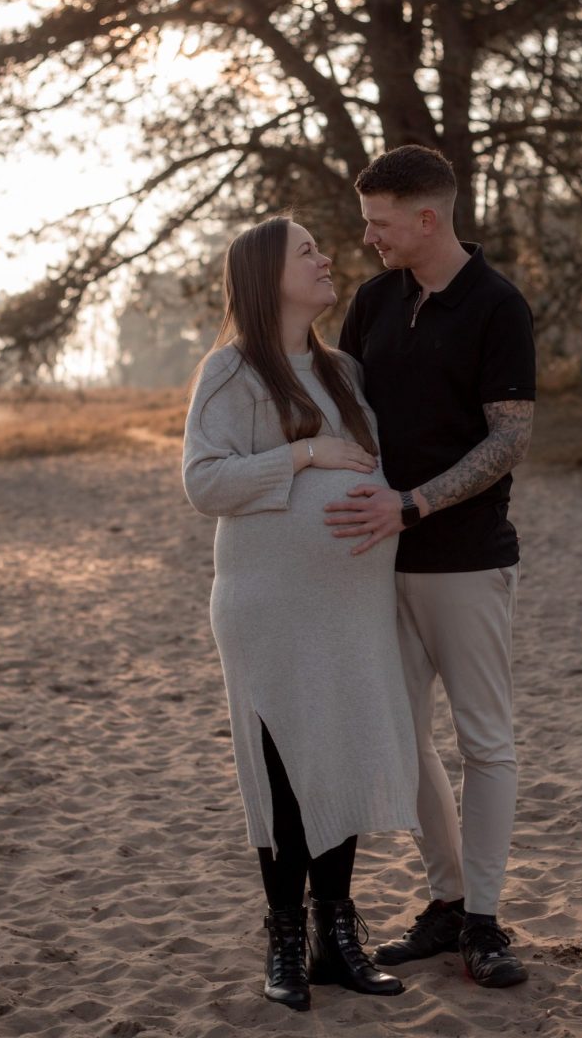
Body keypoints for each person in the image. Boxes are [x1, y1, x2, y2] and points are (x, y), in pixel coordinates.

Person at [182, 215, 421, 1012]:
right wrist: (307, 454)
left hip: (349, 604)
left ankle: (336, 937)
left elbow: (380, 465)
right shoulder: (231, 372)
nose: (326, 260)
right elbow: (205, 482)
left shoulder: (344, 370)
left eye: (322, 248)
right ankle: (285, 937)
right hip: (270, 606)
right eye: (307, 252)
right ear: (264, 276)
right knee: (285, 764)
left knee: (341, 754)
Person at [324, 145, 536, 989]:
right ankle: (446, 902)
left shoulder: (497, 306)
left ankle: (484, 919)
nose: (368, 237)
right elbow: (345, 421)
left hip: (465, 561)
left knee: (485, 740)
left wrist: (412, 504)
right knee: (404, 742)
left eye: (379, 223)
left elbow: (510, 437)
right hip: (377, 564)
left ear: (428, 218)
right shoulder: (373, 303)